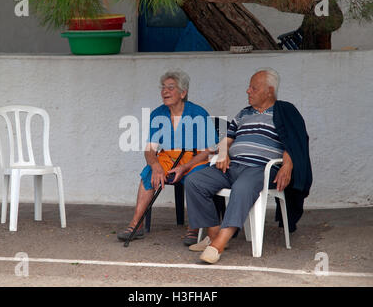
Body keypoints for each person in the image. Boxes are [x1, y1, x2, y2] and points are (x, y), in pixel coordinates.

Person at [184, 68, 312, 263]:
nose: (248, 91)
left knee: (242, 187)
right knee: (194, 180)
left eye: (253, 88)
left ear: (269, 91)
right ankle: (214, 234)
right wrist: (223, 153)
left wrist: (288, 164)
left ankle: (218, 245)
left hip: (260, 169)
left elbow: (295, 141)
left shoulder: (284, 111)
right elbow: (227, 140)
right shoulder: (243, 114)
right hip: (232, 167)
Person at [117, 69, 216, 244]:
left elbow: (209, 150)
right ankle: (136, 225)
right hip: (168, 158)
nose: (165, 91)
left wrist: (185, 167)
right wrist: (155, 167)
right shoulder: (158, 114)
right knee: (147, 174)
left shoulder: (198, 113)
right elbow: (150, 150)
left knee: (196, 178)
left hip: (195, 159)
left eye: (171, 87)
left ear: (183, 92)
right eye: (163, 87)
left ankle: (193, 227)